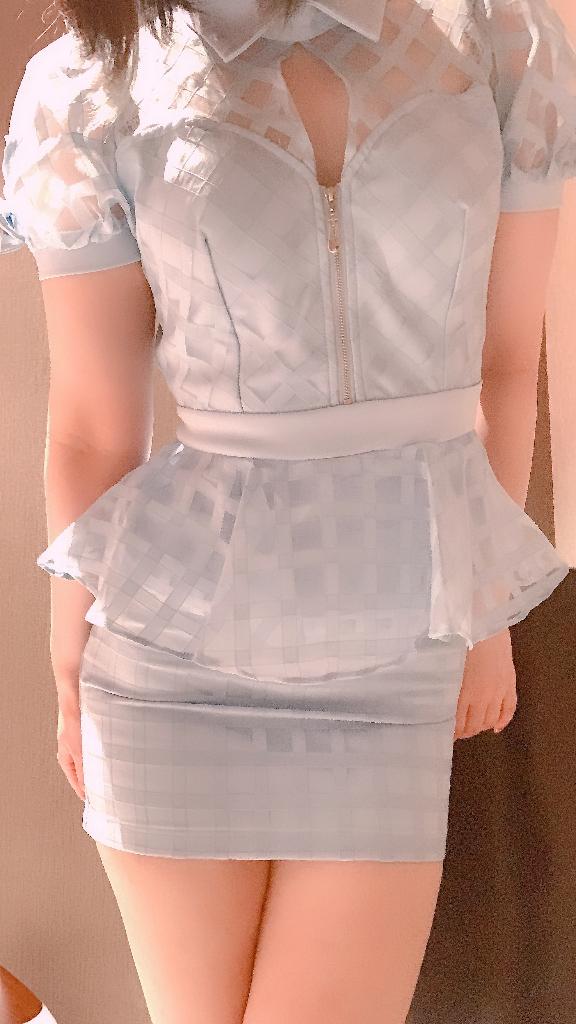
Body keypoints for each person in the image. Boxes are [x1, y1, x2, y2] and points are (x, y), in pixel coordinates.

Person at [1, 1, 575, 1021]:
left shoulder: (500, 38)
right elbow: (93, 428)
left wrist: (484, 615)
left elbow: (504, 363)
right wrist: (68, 667)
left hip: (392, 659)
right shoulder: (92, 82)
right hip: (168, 667)